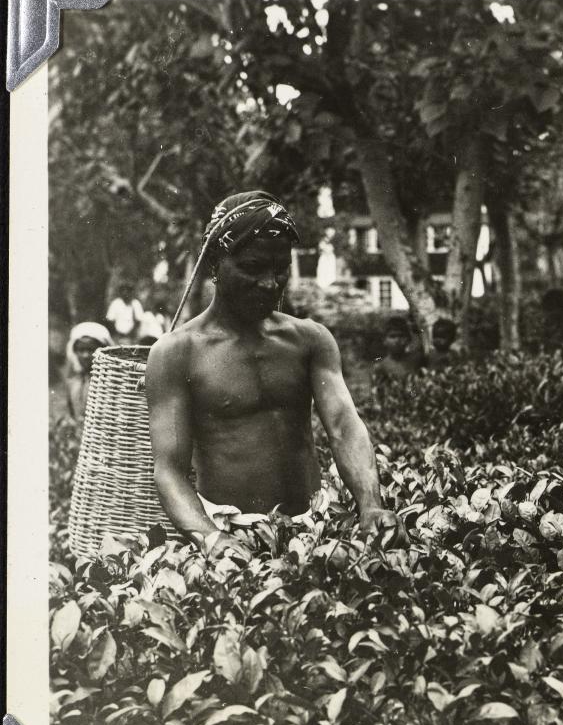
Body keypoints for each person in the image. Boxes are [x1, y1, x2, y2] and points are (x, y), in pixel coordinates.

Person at [147, 191, 405, 558]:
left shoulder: (310, 340)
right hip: (228, 531)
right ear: (215, 265)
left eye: (280, 268)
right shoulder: (177, 353)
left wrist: (370, 503)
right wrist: (211, 538)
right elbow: (168, 470)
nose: (270, 283)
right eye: (253, 267)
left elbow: (344, 425)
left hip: (315, 527)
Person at [64, 322, 113, 422]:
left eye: (90, 350)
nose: (85, 355)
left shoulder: (109, 382)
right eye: (81, 350)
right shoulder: (73, 382)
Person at [374, 315, 421, 384]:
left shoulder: (417, 360)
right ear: (384, 340)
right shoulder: (382, 367)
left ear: (408, 339)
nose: (397, 340)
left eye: (401, 336)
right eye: (392, 336)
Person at [105, 281, 147, 345]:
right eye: (123, 291)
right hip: (118, 336)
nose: (126, 293)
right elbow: (110, 320)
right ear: (120, 292)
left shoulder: (136, 303)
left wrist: (130, 334)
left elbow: (139, 321)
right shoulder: (116, 303)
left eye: (128, 291)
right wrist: (117, 333)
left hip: (132, 337)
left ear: (131, 292)